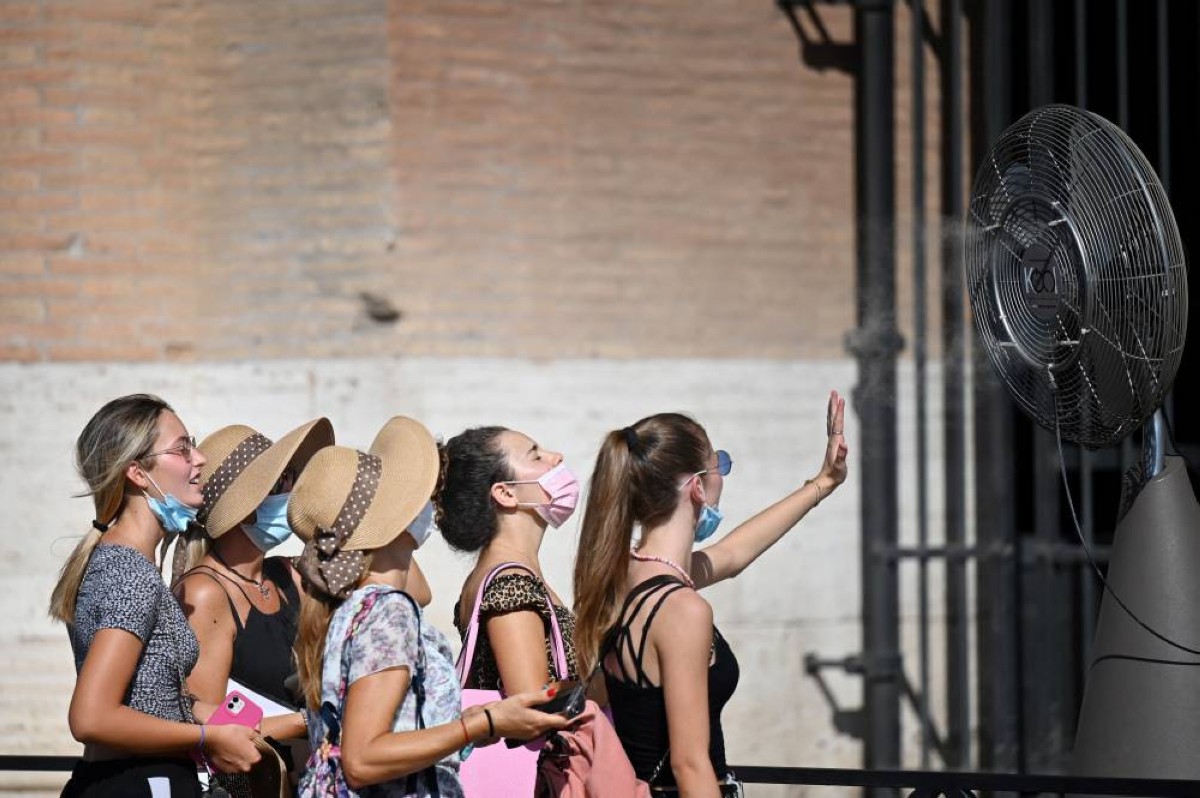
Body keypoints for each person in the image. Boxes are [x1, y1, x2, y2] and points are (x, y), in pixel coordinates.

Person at [572, 392, 849, 797]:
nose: (723, 474)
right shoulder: (682, 609)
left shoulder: (622, 575)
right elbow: (690, 765)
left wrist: (823, 482)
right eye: (719, 462)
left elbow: (733, 554)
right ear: (697, 487)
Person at [290, 417, 570, 797]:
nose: (430, 503)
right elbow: (362, 759)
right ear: (393, 519)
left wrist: (464, 724)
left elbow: (392, 733)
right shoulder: (387, 611)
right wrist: (481, 723)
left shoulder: (363, 607)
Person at [50, 394, 260, 798]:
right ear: (137, 472)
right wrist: (207, 738)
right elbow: (90, 718)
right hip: (139, 782)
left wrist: (217, 722)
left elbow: (147, 696)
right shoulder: (130, 574)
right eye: (182, 449)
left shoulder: (122, 563)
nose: (199, 459)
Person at [172, 419, 334, 788]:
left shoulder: (288, 575)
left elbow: (414, 589)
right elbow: (208, 728)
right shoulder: (205, 593)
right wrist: (310, 721)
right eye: (281, 481)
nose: (292, 490)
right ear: (246, 507)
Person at [438, 427, 583, 696]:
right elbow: (531, 702)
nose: (556, 457)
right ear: (505, 493)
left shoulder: (504, 574)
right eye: (535, 456)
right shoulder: (510, 585)